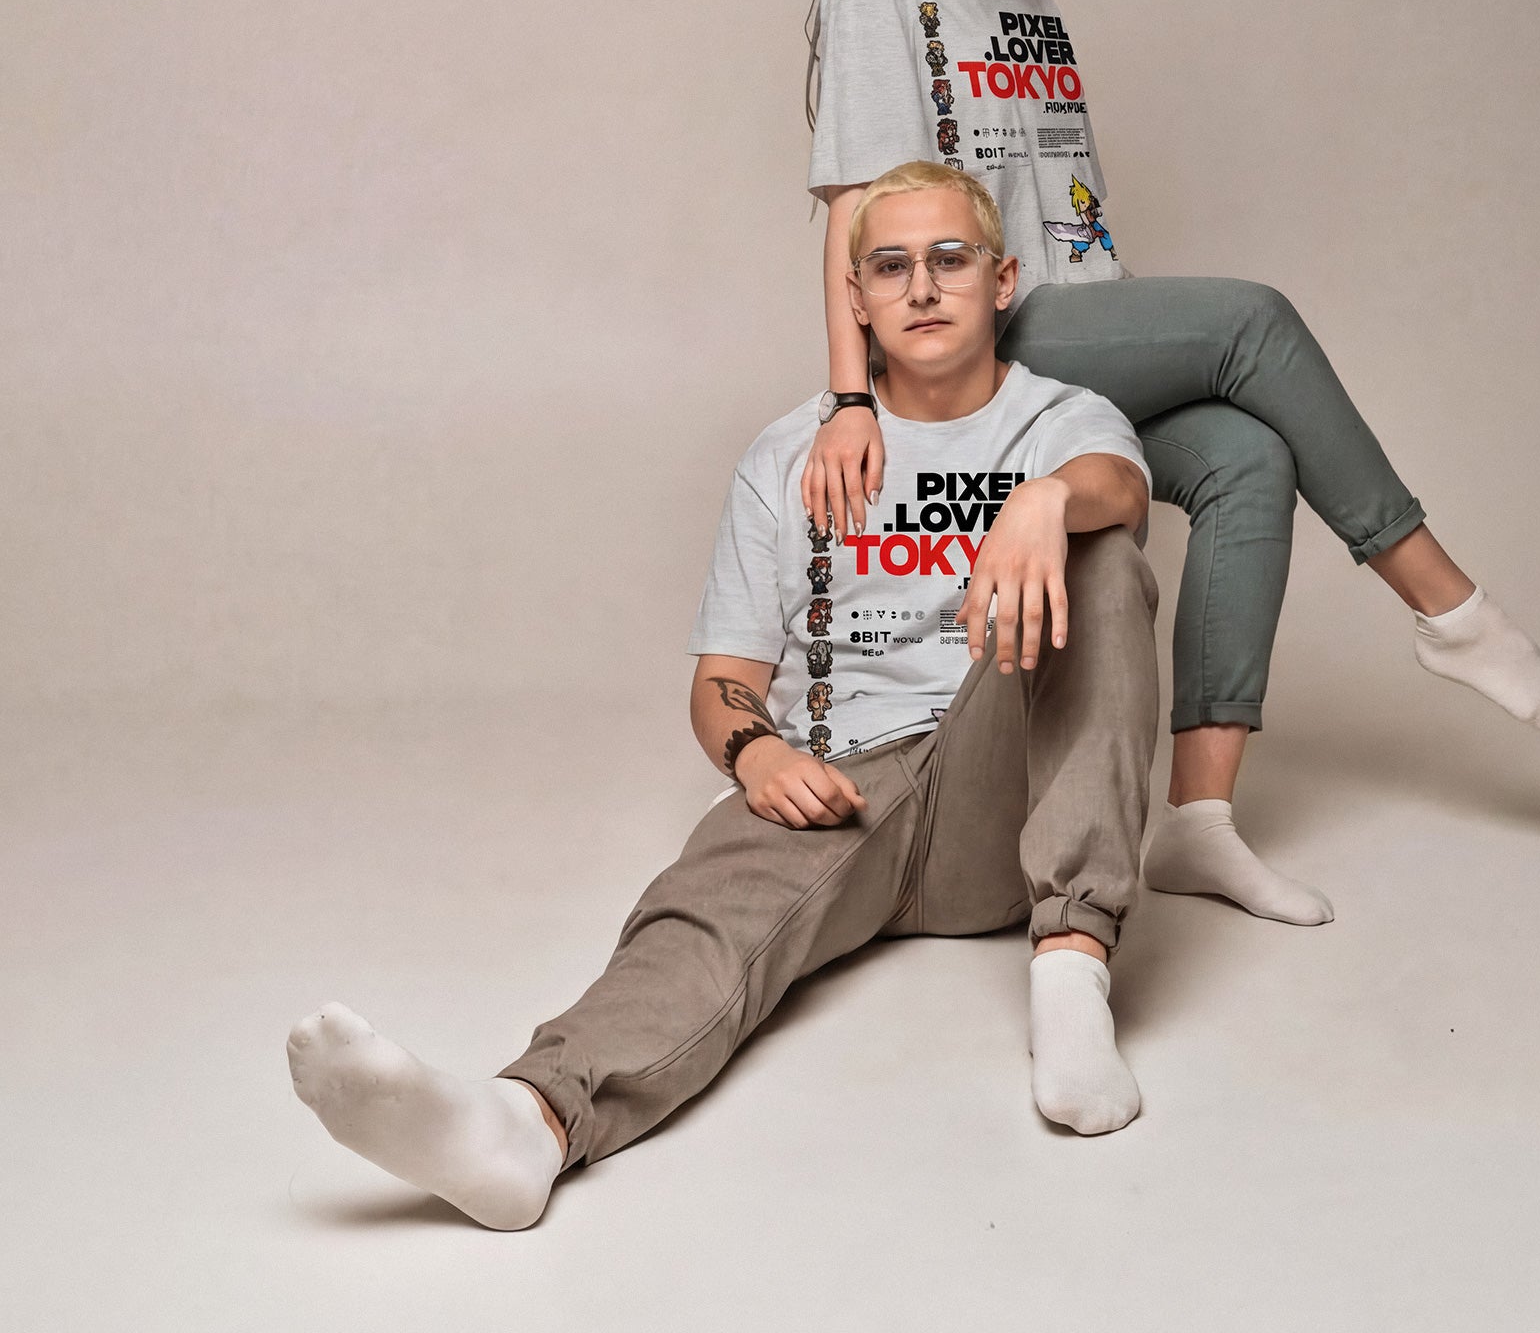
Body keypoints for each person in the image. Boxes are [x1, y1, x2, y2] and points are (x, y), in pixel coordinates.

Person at [804, 0, 1540, 928]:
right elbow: (856, 204)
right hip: (978, 335)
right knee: (1256, 321)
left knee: (1247, 455)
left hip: (1075, 322)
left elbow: (1065, 199)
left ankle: (1203, 823)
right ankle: (1450, 608)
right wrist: (857, 396)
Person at [287, 163, 1163, 1229]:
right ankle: (524, 1126)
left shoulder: (1063, 420)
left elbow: (1124, 490)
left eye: (950, 260)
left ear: (1003, 278)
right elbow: (724, 686)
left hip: (1008, 789)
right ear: (857, 301)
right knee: (702, 912)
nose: (923, 289)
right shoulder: (789, 454)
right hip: (845, 784)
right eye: (890, 266)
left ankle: (1073, 976)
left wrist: (1047, 499)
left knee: (1105, 559)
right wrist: (757, 757)